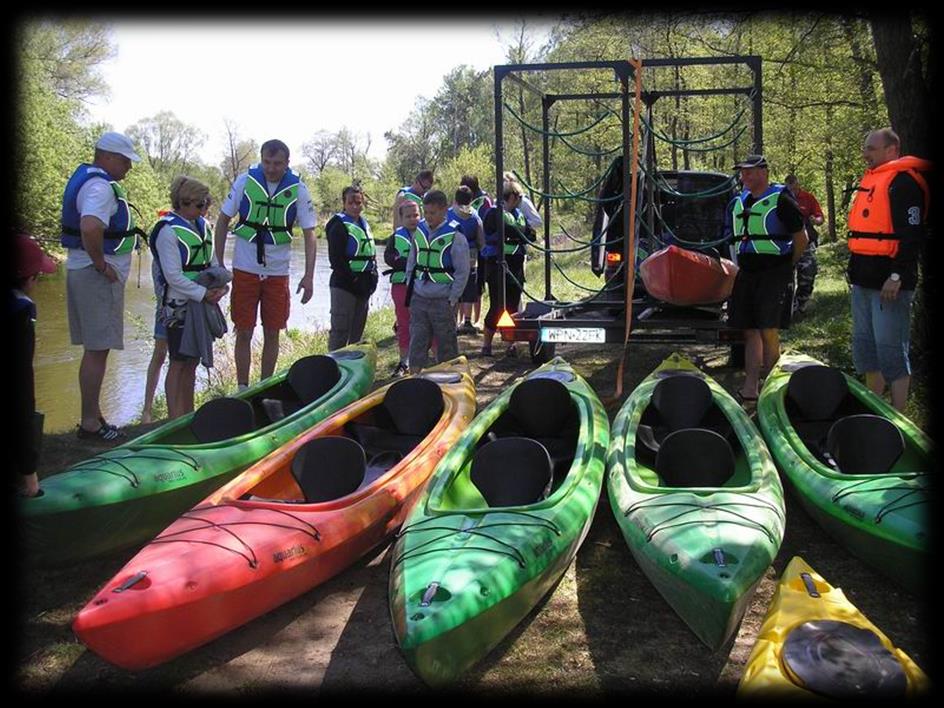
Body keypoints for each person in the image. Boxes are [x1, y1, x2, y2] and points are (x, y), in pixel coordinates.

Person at [61, 131, 145, 442]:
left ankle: (93, 416)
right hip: (94, 277)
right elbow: (90, 225)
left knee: (95, 349)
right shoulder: (99, 186)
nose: (128, 167)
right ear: (107, 157)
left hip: (85, 273)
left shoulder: (90, 179)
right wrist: (101, 264)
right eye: (125, 161)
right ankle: (90, 425)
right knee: (97, 350)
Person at [215, 139, 317, 391]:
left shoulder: (298, 189)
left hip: (277, 272)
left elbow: (310, 233)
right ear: (261, 160)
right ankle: (242, 387)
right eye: (267, 162)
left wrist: (309, 276)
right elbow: (222, 220)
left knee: (273, 330)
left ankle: (264, 386)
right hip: (245, 267)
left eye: (277, 163)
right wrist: (218, 264)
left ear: (287, 163)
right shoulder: (244, 182)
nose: (271, 168)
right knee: (244, 329)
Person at [847, 128, 930, 412]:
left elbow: (912, 235)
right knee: (866, 349)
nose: (865, 154)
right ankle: (875, 408)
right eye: (864, 148)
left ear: (891, 150)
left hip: (890, 283)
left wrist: (896, 276)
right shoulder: (871, 181)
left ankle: (898, 414)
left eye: (871, 148)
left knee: (891, 350)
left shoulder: (904, 183)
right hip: (863, 279)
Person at [726, 154, 808, 403]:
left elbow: (801, 237)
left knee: (768, 330)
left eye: (750, 172)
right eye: (742, 172)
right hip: (748, 272)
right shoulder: (740, 201)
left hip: (774, 273)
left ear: (764, 172)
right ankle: (750, 386)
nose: (745, 177)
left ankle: (772, 389)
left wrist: (787, 265)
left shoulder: (782, 199)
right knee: (749, 331)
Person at [152, 177, 229, 419]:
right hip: (178, 305)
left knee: (192, 360)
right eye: (201, 204)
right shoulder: (167, 230)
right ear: (185, 203)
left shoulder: (204, 226)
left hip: (203, 302)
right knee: (178, 360)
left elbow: (214, 263)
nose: (205, 208)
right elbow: (173, 276)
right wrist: (204, 294)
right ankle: (173, 419)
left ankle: (188, 414)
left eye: (206, 204)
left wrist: (220, 288)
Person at [404, 190, 470, 372]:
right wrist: (412, 290)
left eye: (433, 213)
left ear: (444, 210)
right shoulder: (420, 231)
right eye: (426, 213)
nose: (428, 217)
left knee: (446, 343)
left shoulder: (455, 236)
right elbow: (412, 262)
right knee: (417, 341)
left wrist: (453, 298)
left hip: (443, 300)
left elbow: (462, 271)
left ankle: (448, 379)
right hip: (419, 297)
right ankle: (415, 376)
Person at [13, 233, 58, 497]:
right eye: (37, 275)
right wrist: (29, 472)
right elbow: (20, 394)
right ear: (29, 278)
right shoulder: (19, 314)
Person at [480, 180, 535, 357]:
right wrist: (521, 234)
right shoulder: (494, 213)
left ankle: (510, 344)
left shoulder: (518, 214)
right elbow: (510, 231)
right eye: (518, 197)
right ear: (511, 196)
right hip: (497, 265)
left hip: (516, 265)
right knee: (497, 306)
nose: (520, 201)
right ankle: (486, 345)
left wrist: (522, 234)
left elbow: (530, 234)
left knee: (512, 305)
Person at [326, 184, 378, 351]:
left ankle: (352, 365)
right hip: (344, 284)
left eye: (358, 202)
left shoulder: (364, 224)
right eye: (351, 203)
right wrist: (352, 278)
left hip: (364, 284)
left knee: (357, 333)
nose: (355, 206)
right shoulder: (338, 225)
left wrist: (372, 276)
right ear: (344, 203)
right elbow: (336, 259)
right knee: (340, 331)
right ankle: (333, 367)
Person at [384, 199, 421, 376]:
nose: (413, 219)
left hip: (423, 286)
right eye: (408, 216)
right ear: (401, 218)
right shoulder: (395, 237)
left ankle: (425, 359)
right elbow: (389, 257)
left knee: (424, 323)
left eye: (416, 215)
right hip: (401, 286)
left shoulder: (427, 234)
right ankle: (404, 362)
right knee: (404, 323)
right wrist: (408, 263)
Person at [785, 174, 825, 316]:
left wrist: (816, 220)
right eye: (790, 188)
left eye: (795, 187)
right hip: (786, 243)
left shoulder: (808, 198)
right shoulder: (782, 198)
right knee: (786, 278)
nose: (793, 190)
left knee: (808, 274)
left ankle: (801, 305)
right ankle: (787, 309)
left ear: (798, 185)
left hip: (806, 243)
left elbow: (820, 217)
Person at [448, 185, 486, 335]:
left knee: (455, 288)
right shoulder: (475, 215)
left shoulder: (450, 214)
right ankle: (468, 321)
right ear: (471, 199)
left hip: (453, 257)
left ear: (455, 198)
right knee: (469, 289)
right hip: (471, 257)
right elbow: (481, 240)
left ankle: (454, 321)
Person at [460, 174, 492, 327]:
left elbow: (486, 222)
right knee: (462, 283)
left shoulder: (484, 201)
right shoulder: (462, 200)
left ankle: (477, 319)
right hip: (463, 250)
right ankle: (462, 319)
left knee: (477, 285)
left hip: (479, 249)